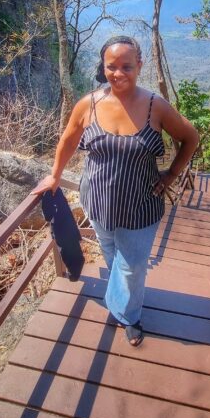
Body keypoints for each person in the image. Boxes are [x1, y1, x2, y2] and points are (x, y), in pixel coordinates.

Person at [33, 36, 199, 346]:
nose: (118, 74)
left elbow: (191, 137)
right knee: (111, 255)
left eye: (126, 66)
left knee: (132, 265)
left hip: (141, 204)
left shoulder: (155, 106)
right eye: (111, 67)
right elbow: (68, 141)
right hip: (98, 202)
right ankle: (121, 300)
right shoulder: (89, 104)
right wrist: (54, 176)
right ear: (103, 67)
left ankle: (129, 316)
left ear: (139, 65)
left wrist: (172, 175)